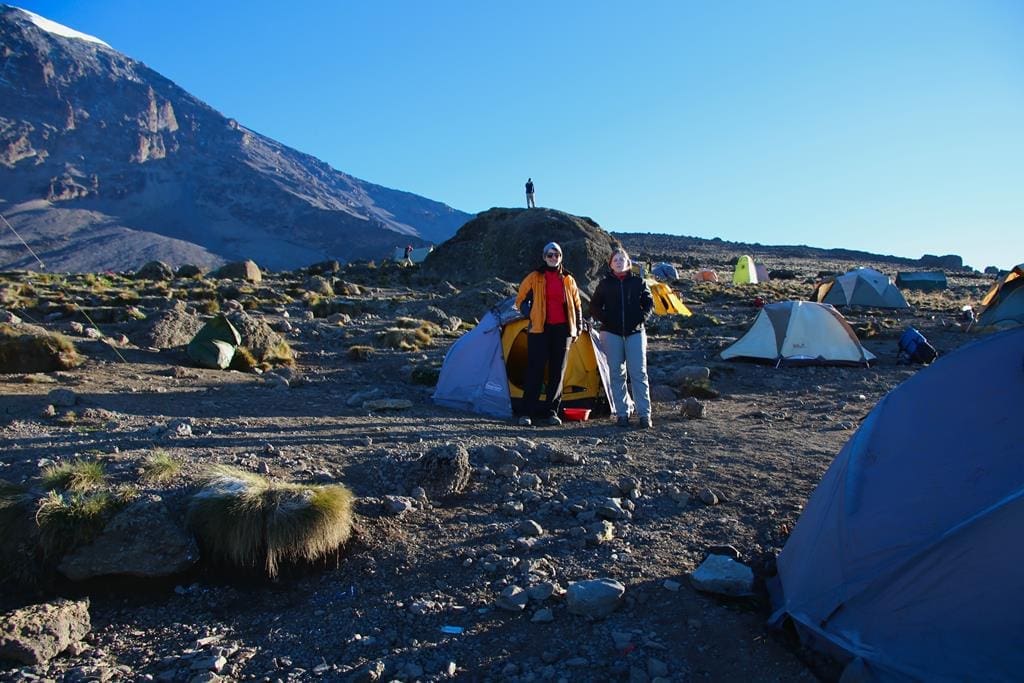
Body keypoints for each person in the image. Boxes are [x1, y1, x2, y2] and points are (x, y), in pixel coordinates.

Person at [514, 241, 583, 427]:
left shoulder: (568, 279)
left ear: (561, 257)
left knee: (557, 372)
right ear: (544, 257)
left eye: (557, 255)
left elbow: (577, 305)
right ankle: (527, 412)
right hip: (539, 330)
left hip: (563, 331)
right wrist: (531, 314)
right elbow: (520, 299)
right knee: (535, 370)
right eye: (550, 255)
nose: (554, 258)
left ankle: (552, 412)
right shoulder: (534, 277)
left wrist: (579, 326)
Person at [590, 247, 655, 428]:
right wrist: (606, 319)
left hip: (635, 332)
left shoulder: (638, 282)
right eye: (615, 259)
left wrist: (641, 317)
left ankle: (644, 414)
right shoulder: (604, 284)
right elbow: (594, 306)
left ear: (628, 262)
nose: (619, 262)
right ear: (611, 264)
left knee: (638, 372)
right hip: (611, 333)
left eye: (622, 259)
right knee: (616, 374)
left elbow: (649, 303)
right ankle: (622, 413)